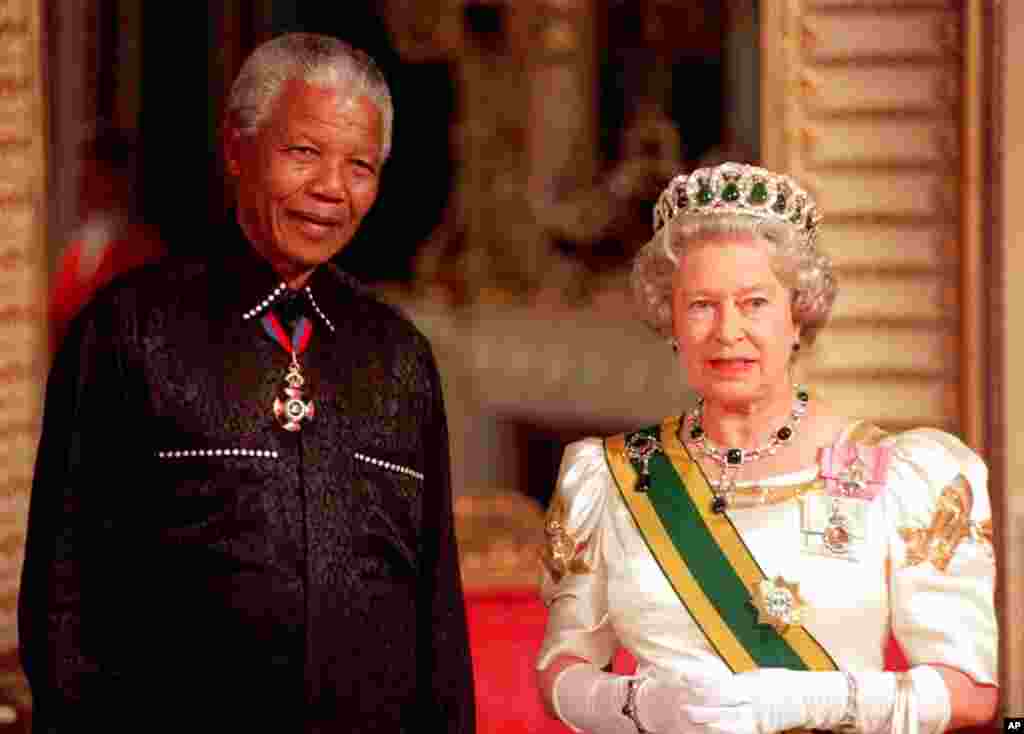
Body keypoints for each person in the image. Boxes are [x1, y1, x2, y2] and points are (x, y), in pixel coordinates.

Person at [20, 33, 475, 732]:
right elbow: (64, 600)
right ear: (237, 149)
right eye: (304, 152)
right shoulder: (126, 331)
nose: (331, 189)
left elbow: (437, 618)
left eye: (360, 165)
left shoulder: (399, 356)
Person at [535, 162, 998, 734]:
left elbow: (970, 692)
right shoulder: (610, 477)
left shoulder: (900, 471)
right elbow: (562, 668)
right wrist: (640, 706)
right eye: (701, 305)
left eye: (755, 302)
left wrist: (813, 700)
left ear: (798, 315)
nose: (727, 331)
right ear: (671, 321)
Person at [48, 128, 164, 353]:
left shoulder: (143, 249)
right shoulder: (76, 251)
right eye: (85, 173)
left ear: (116, 178)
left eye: (95, 174)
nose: (85, 182)